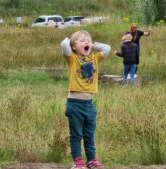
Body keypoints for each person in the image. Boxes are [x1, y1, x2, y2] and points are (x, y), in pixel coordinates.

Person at [60, 30, 111, 169]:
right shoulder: (72, 58)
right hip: (75, 104)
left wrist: (92, 45)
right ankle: (78, 162)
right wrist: (71, 42)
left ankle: (91, 160)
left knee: (89, 135)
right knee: (76, 135)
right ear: (74, 46)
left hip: (89, 104)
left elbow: (107, 48)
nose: (86, 42)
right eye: (82, 41)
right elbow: (64, 45)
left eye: (88, 40)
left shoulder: (95, 58)